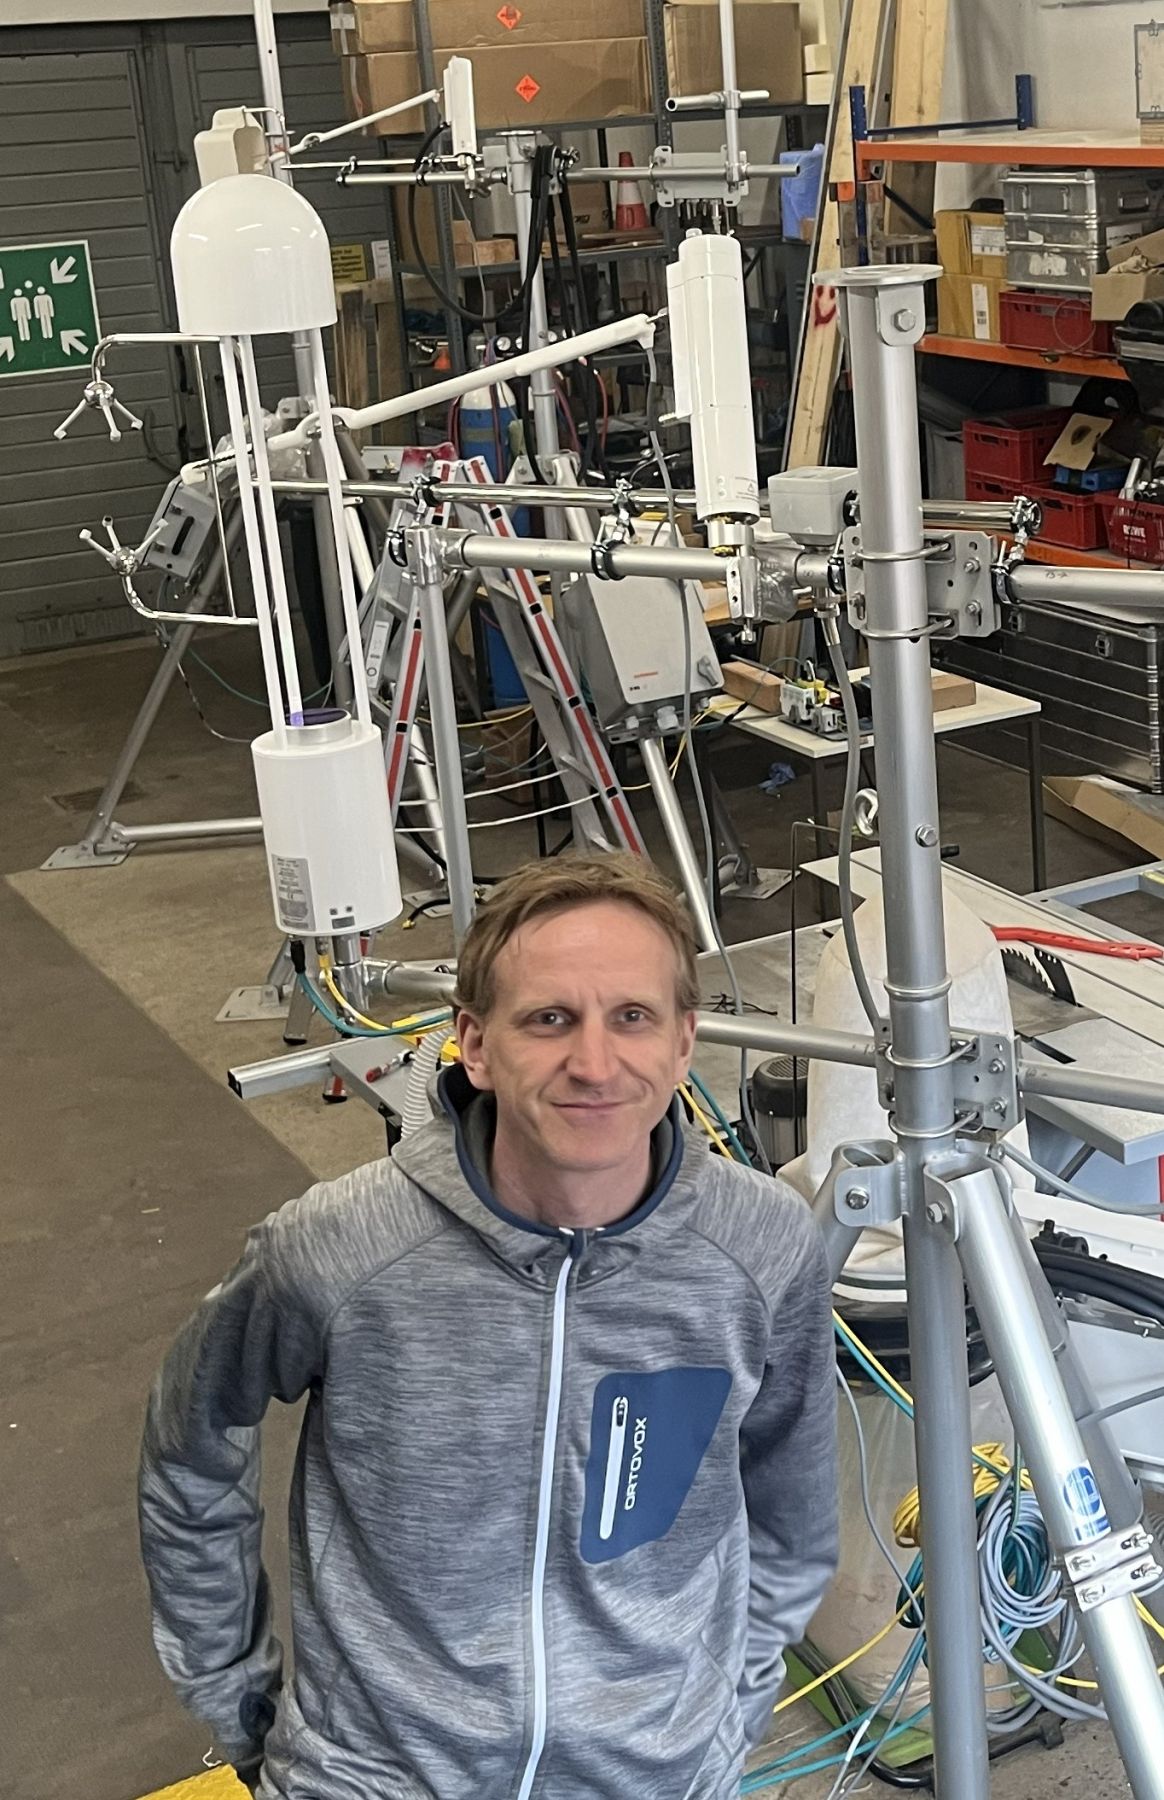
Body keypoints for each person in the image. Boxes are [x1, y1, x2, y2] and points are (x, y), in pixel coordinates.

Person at [139, 853, 838, 1800]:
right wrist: (236, 1698)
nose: (595, 1063)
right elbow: (189, 1446)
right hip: (376, 1777)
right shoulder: (341, 1247)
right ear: (473, 1043)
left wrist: (724, 1716)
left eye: (632, 1017)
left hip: (654, 1775)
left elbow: (793, 1509)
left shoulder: (761, 1248)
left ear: (684, 1042)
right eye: (549, 1019)